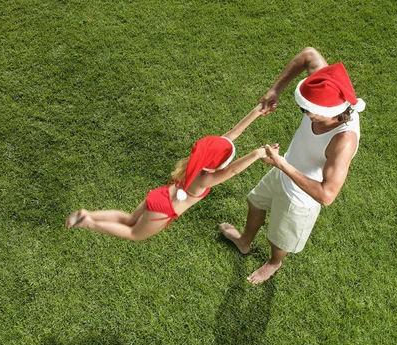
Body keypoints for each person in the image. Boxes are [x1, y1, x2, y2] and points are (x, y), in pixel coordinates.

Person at [219, 47, 365, 284]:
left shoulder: (343, 141)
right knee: (254, 203)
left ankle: (274, 263)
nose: (305, 112)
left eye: (308, 110)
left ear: (329, 112)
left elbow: (327, 195)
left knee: (277, 240)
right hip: (283, 170)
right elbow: (309, 55)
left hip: (301, 199)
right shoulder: (328, 88)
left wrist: (281, 164)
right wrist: (275, 89)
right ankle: (244, 241)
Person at [66, 105, 279, 242]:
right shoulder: (205, 180)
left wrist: (256, 112)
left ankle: (89, 214)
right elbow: (232, 169)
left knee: (131, 218)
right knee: (134, 234)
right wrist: (258, 153)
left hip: (161, 195)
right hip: (164, 210)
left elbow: (233, 133)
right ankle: (89, 223)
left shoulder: (197, 162)